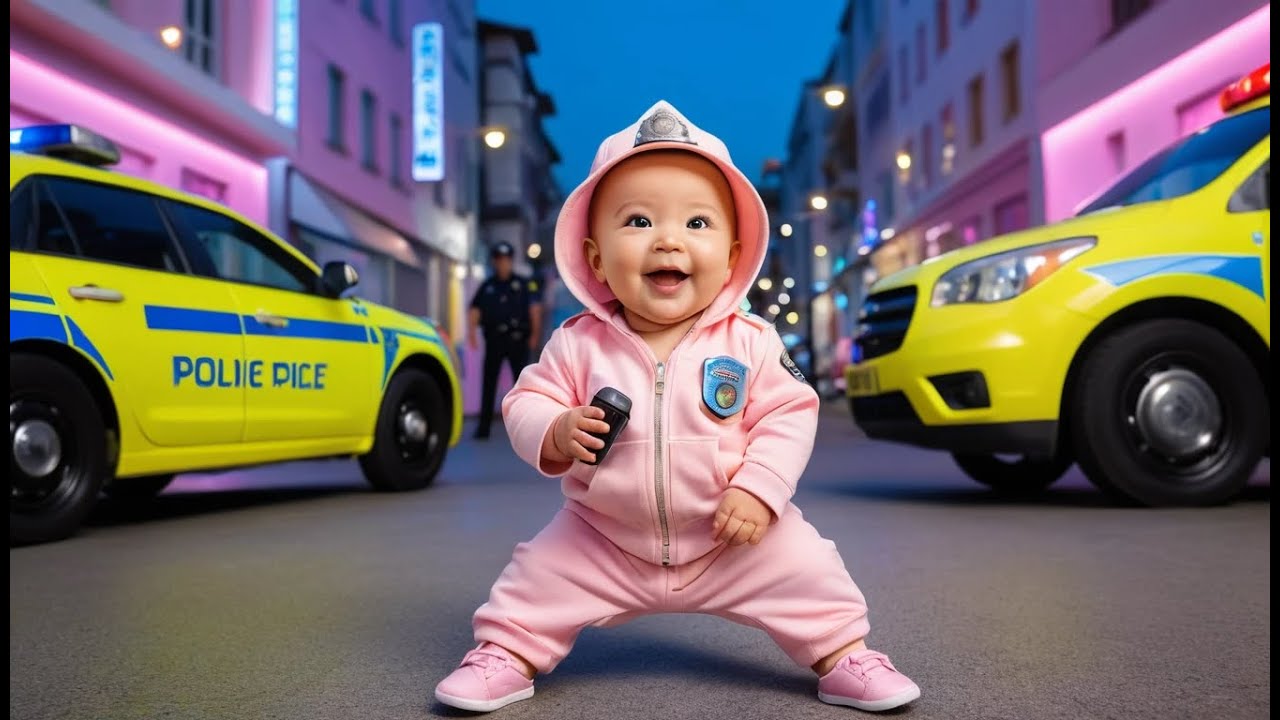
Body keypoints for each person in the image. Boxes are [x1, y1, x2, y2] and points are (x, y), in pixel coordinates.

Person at [435, 101, 920, 713]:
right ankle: (506, 652)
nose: (668, 239)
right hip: (602, 537)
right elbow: (526, 399)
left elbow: (789, 412)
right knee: (532, 579)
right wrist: (555, 429)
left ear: (732, 256)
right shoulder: (578, 341)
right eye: (637, 221)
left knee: (812, 570)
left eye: (697, 223)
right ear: (594, 258)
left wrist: (761, 488)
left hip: (733, 535)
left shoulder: (750, 341)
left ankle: (844, 652)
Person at [467, 241, 543, 440]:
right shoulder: (488, 285)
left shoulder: (523, 284)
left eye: (507, 260)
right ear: (494, 261)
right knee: (488, 384)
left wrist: (534, 335)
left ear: (511, 261)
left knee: (523, 384)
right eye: (499, 260)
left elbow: (534, 310)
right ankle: (483, 428)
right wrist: (471, 333)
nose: (503, 264)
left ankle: (525, 427)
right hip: (494, 341)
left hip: (518, 341)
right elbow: (475, 309)